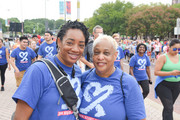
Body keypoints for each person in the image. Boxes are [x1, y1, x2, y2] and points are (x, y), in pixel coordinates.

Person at [12, 20, 89, 120]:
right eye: (70, 43)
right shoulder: (39, 70)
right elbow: (20, 117)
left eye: (81, 45)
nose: (75, 49)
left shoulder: (77, 71)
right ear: (59, 42)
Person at [79, 35, 146, 120]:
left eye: (106, 53)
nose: (100, 57)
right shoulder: (84, 77)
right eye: (96, 52)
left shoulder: (129, 82)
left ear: (115, 55)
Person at [154, 39, 180, 120]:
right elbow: (156, 72)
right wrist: (171, 73)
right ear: (169, 47)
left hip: (176, 85)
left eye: (179, 49)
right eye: (175, 49)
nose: (177, 51)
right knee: (168, 107)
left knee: (169, 107)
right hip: (163, 84)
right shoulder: (163, 57)